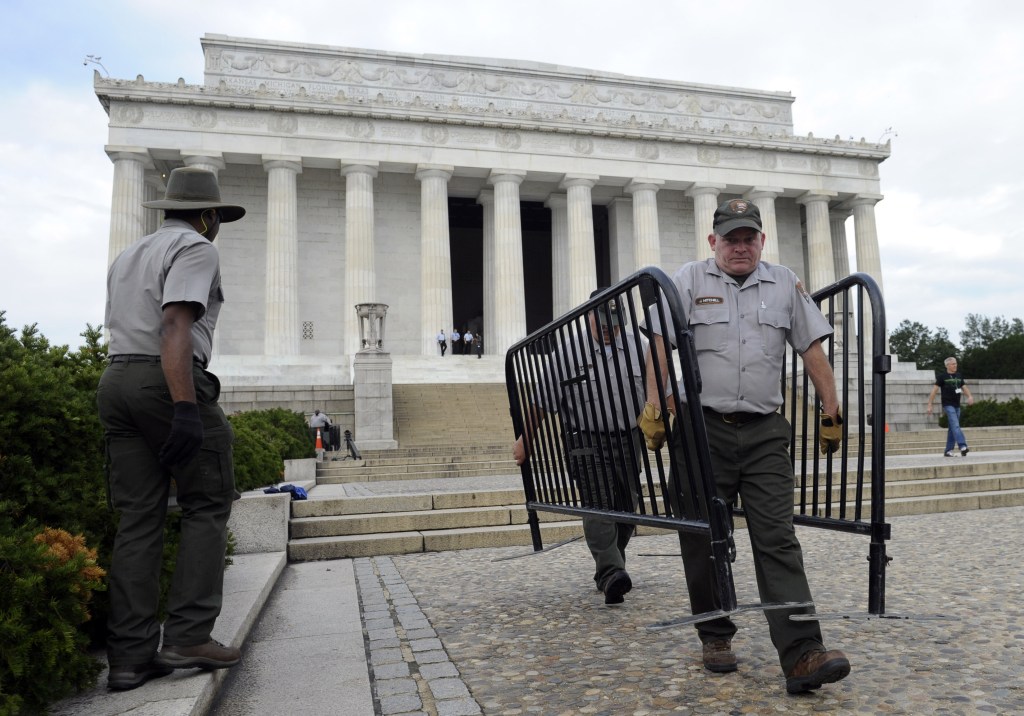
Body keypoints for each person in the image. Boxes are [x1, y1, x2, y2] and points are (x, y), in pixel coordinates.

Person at [638, 198, 850, 694]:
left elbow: (811, 347)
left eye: (748, 237)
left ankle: (802, 654)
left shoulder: (783, 283)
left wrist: (831, 408)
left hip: (764, 430)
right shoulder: (686, 280)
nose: (739, 246)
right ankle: (715, 634)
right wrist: (654, 406)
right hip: (700, 428)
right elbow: (659, 346)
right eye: (730, 238)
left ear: (761, 241)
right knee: (702, 537)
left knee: (777, 537)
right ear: (713, 242)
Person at [97, 167, 245, 691]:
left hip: (115, 379)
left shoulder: (128, 254)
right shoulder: (197, 248)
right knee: (209, 499)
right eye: (217, 217)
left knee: (138, 517)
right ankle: (188, 633)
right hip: (167, 379)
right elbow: (175, 324)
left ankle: (130, 657)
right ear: (207, 216)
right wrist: (184, 405)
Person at [513, 290, 647, 605]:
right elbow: (541, 403)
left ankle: (611, 564)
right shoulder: (567, 352)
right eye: (600, 320)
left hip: (628, 437)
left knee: (627, 508)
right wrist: (527, 439)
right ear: (588, 315)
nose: (606, 328)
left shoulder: (637, 347)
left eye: (613, 323)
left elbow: (658, 388)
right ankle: (611, 572)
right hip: (585, 439)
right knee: (597, 504)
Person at [926, 356, 974, 456]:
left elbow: (964, 387)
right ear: (947, 365)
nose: (955, 365)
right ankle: (963, 446)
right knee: (956, 425)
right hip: (948, 405)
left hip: (957, 405)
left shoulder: (959, 376)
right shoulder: (942, 377)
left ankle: (948, 451)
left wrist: (969, 396)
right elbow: (934, 391)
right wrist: (930, 404)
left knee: (953, 428)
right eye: (953, 364)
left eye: (956, 363)